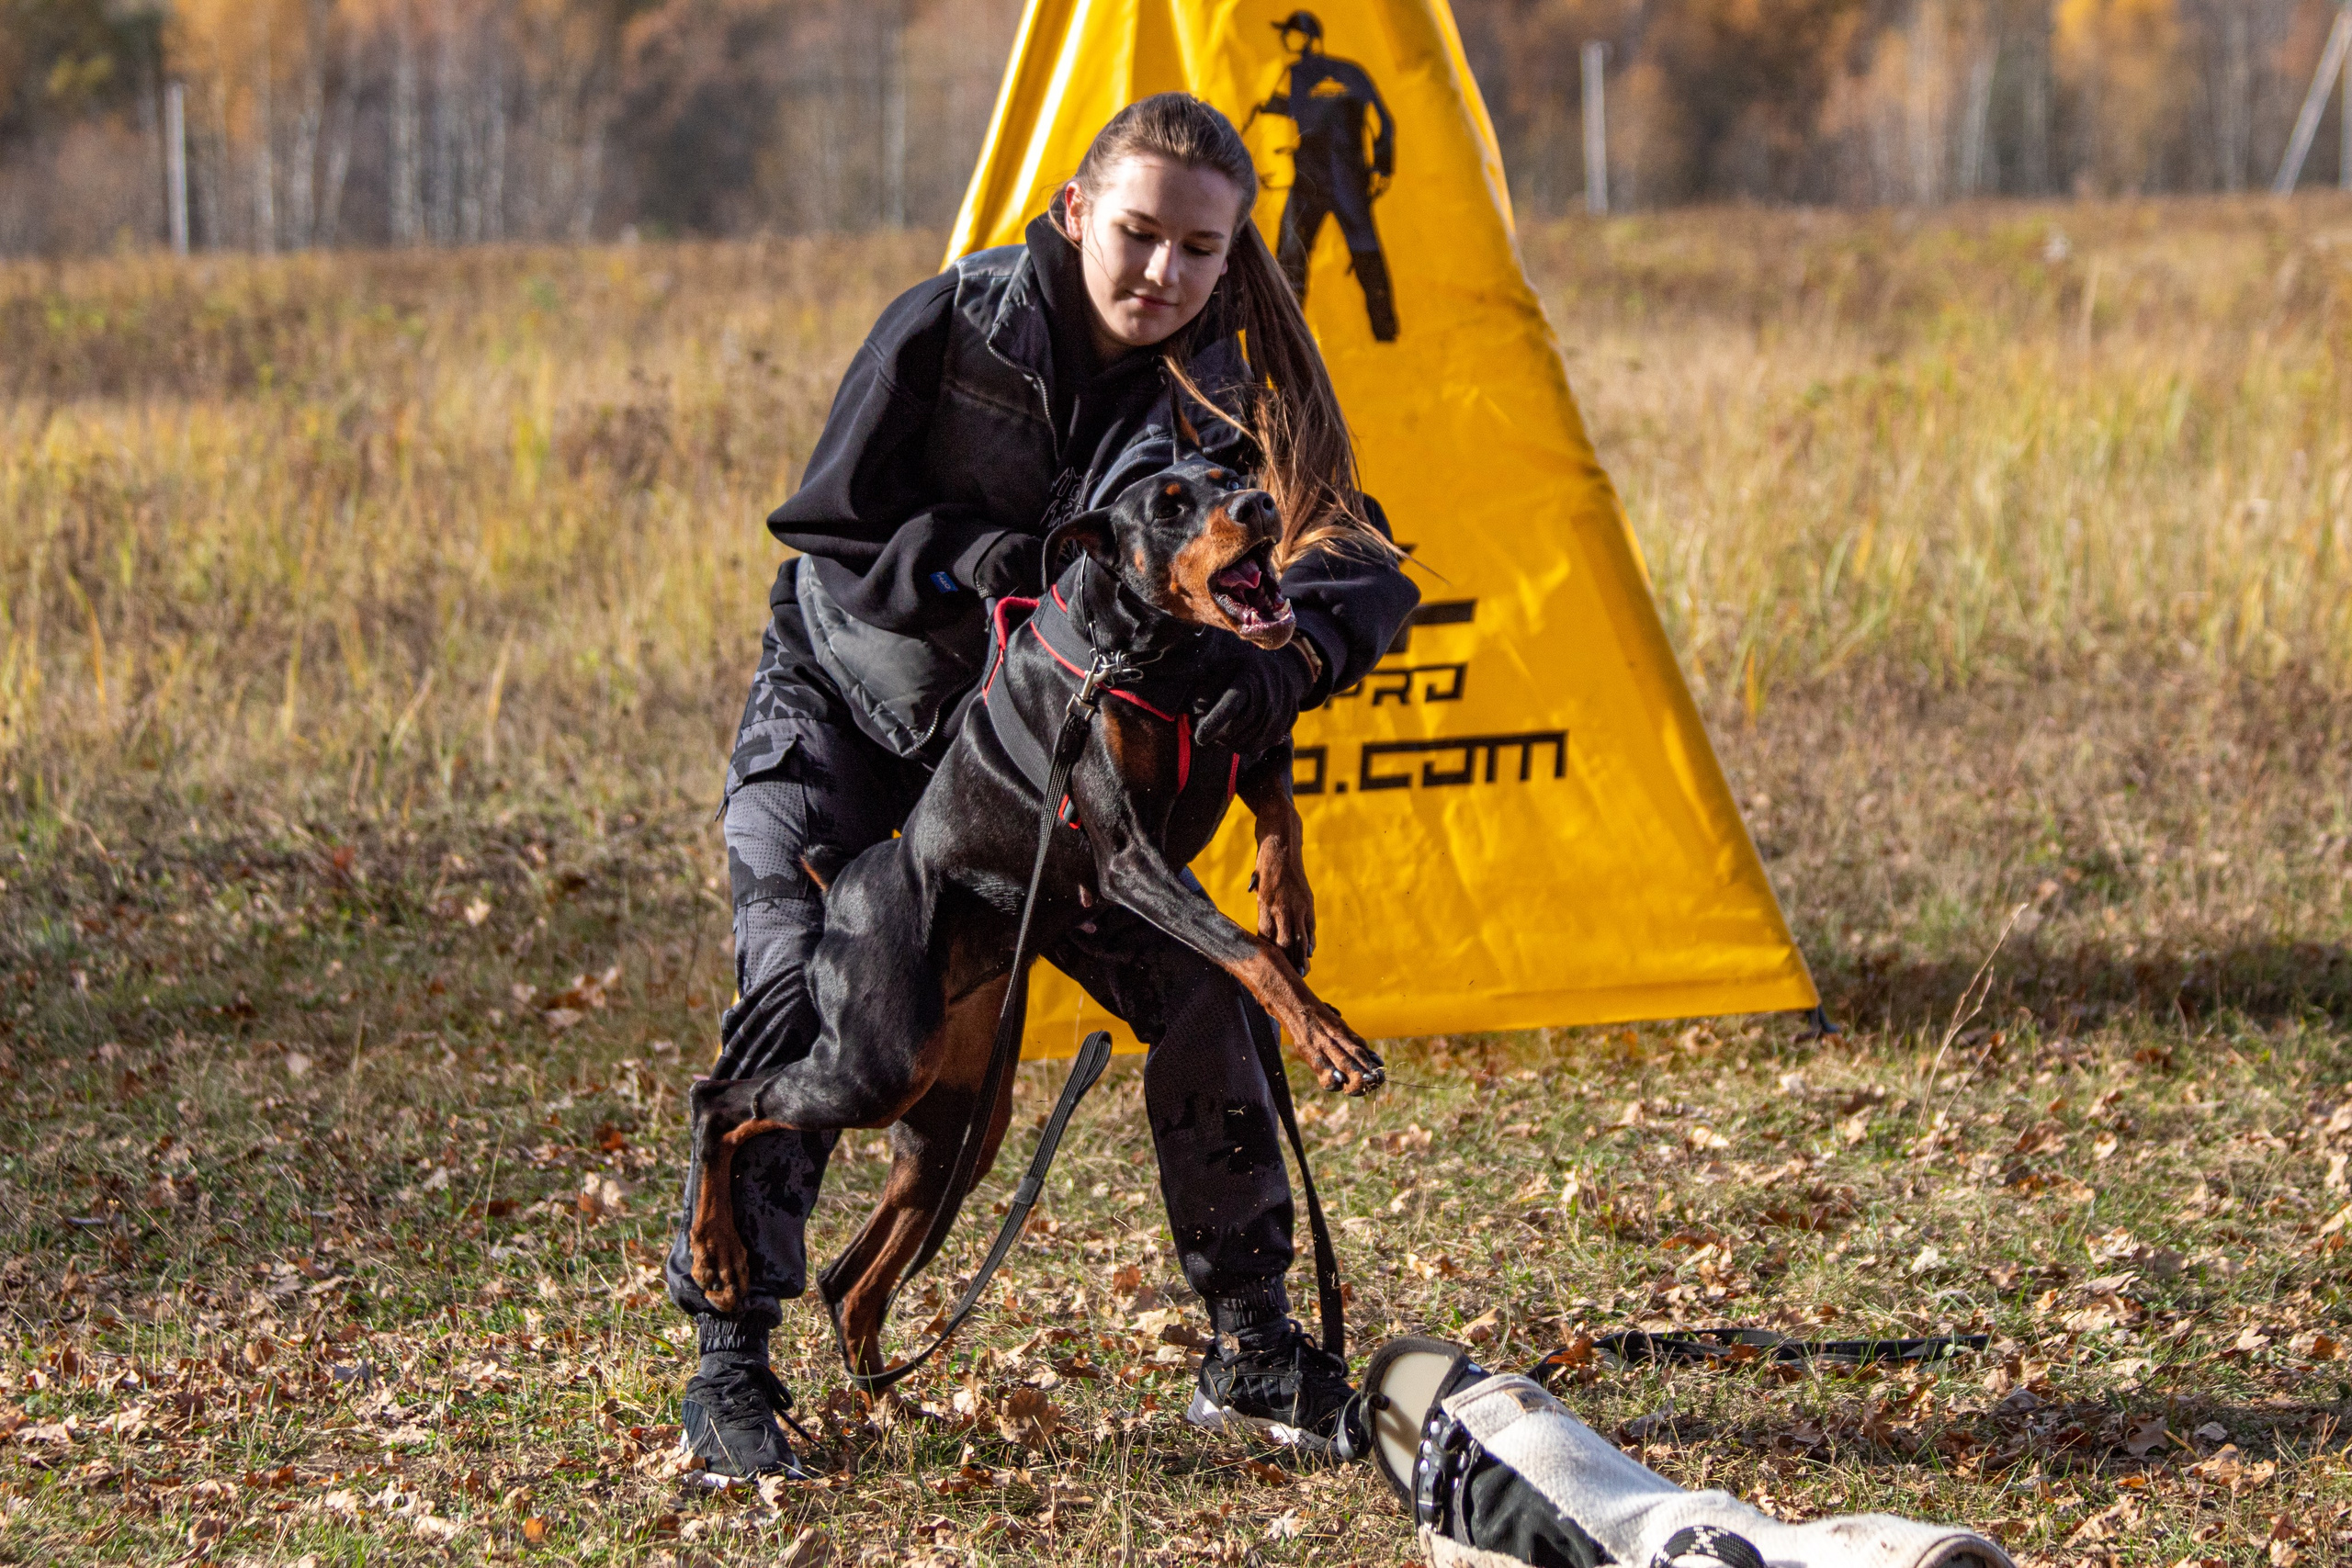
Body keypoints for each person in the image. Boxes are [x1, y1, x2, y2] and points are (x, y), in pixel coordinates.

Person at [665, 92, 1421, 1478]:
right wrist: (993, 561)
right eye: (1137, 234)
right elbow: (827, 524)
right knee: (806, 978)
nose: (1162, 274)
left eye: (1199, 249)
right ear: (1077, 212)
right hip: (857, 720)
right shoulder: (951, 323)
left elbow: (1361, 553)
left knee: (1208, 990)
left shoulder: (1229, 391)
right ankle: (735, 1358)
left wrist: (1294, 651)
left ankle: (1252, 1350)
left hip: (1049, 775)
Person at [1254, 9, 1399, 341]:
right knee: (1364, 251)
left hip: (1313, 181)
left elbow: (1268, 115)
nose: (1283, 41)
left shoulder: (1294, 75)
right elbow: (1383, 122)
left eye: (1289, 34)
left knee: (1291, 259)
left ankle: (1283, 341)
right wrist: (1382, 167)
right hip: (1347, 179)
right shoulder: (1351, 72)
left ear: (1307, 39)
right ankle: (1386, 332)